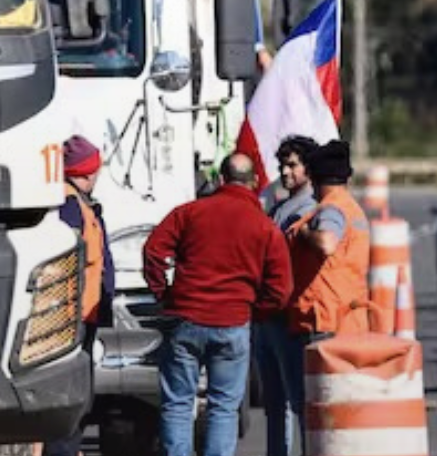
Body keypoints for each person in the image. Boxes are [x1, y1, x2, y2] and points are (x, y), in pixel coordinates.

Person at [142, 153, 292, 456]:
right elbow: (281, 288)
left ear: (221, 180)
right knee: (224, 407)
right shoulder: (264, 227)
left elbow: (154, 251)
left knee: (178, 403)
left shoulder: (190, 212)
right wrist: (254, 310)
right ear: (253, 184)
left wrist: (165, 294)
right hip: (233, 323)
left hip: (185, 319)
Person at [282, 139, 371, 455]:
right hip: (348, 320)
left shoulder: (331, 210)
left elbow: (326, 244)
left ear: (317, 179)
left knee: (317, 412)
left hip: (323, 322)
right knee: (340, 411)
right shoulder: (353, 208)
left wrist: (302, 233)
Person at [45, 134, 114, 456]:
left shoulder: (73, 202)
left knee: (76, 395)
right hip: (73, 318)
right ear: (86, 172)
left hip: (78, 314)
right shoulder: (69, 205)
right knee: (73, 396)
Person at [255, 135, 319, 456]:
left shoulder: (309, 209)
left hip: (289, 318)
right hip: (267, 317)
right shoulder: (280, 208)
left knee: (298, 400)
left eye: (293, 165)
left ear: (308, 168)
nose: (285, 171)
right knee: (274, 404)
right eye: (282, 165)